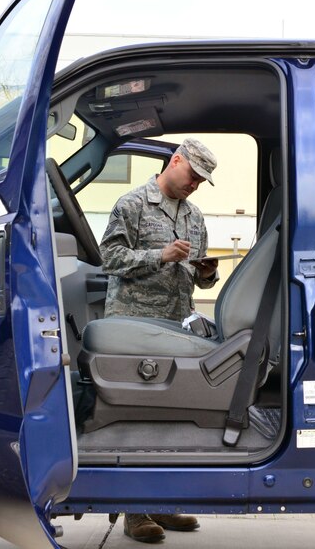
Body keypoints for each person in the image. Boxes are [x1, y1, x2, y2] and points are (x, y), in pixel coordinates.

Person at [97, 137, 218, 543]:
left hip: (175, 330)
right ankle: (135, 512)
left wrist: (206, 274)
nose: (195, 185)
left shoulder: (194, 216)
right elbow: (109, 258)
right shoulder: (132, 204)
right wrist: (159, 256)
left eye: (201, 181)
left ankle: (162, 503)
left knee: (169, 420)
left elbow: (195, 273)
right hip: (133, 331)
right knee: (136, 420)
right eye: (193, 176)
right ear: (175, 161)